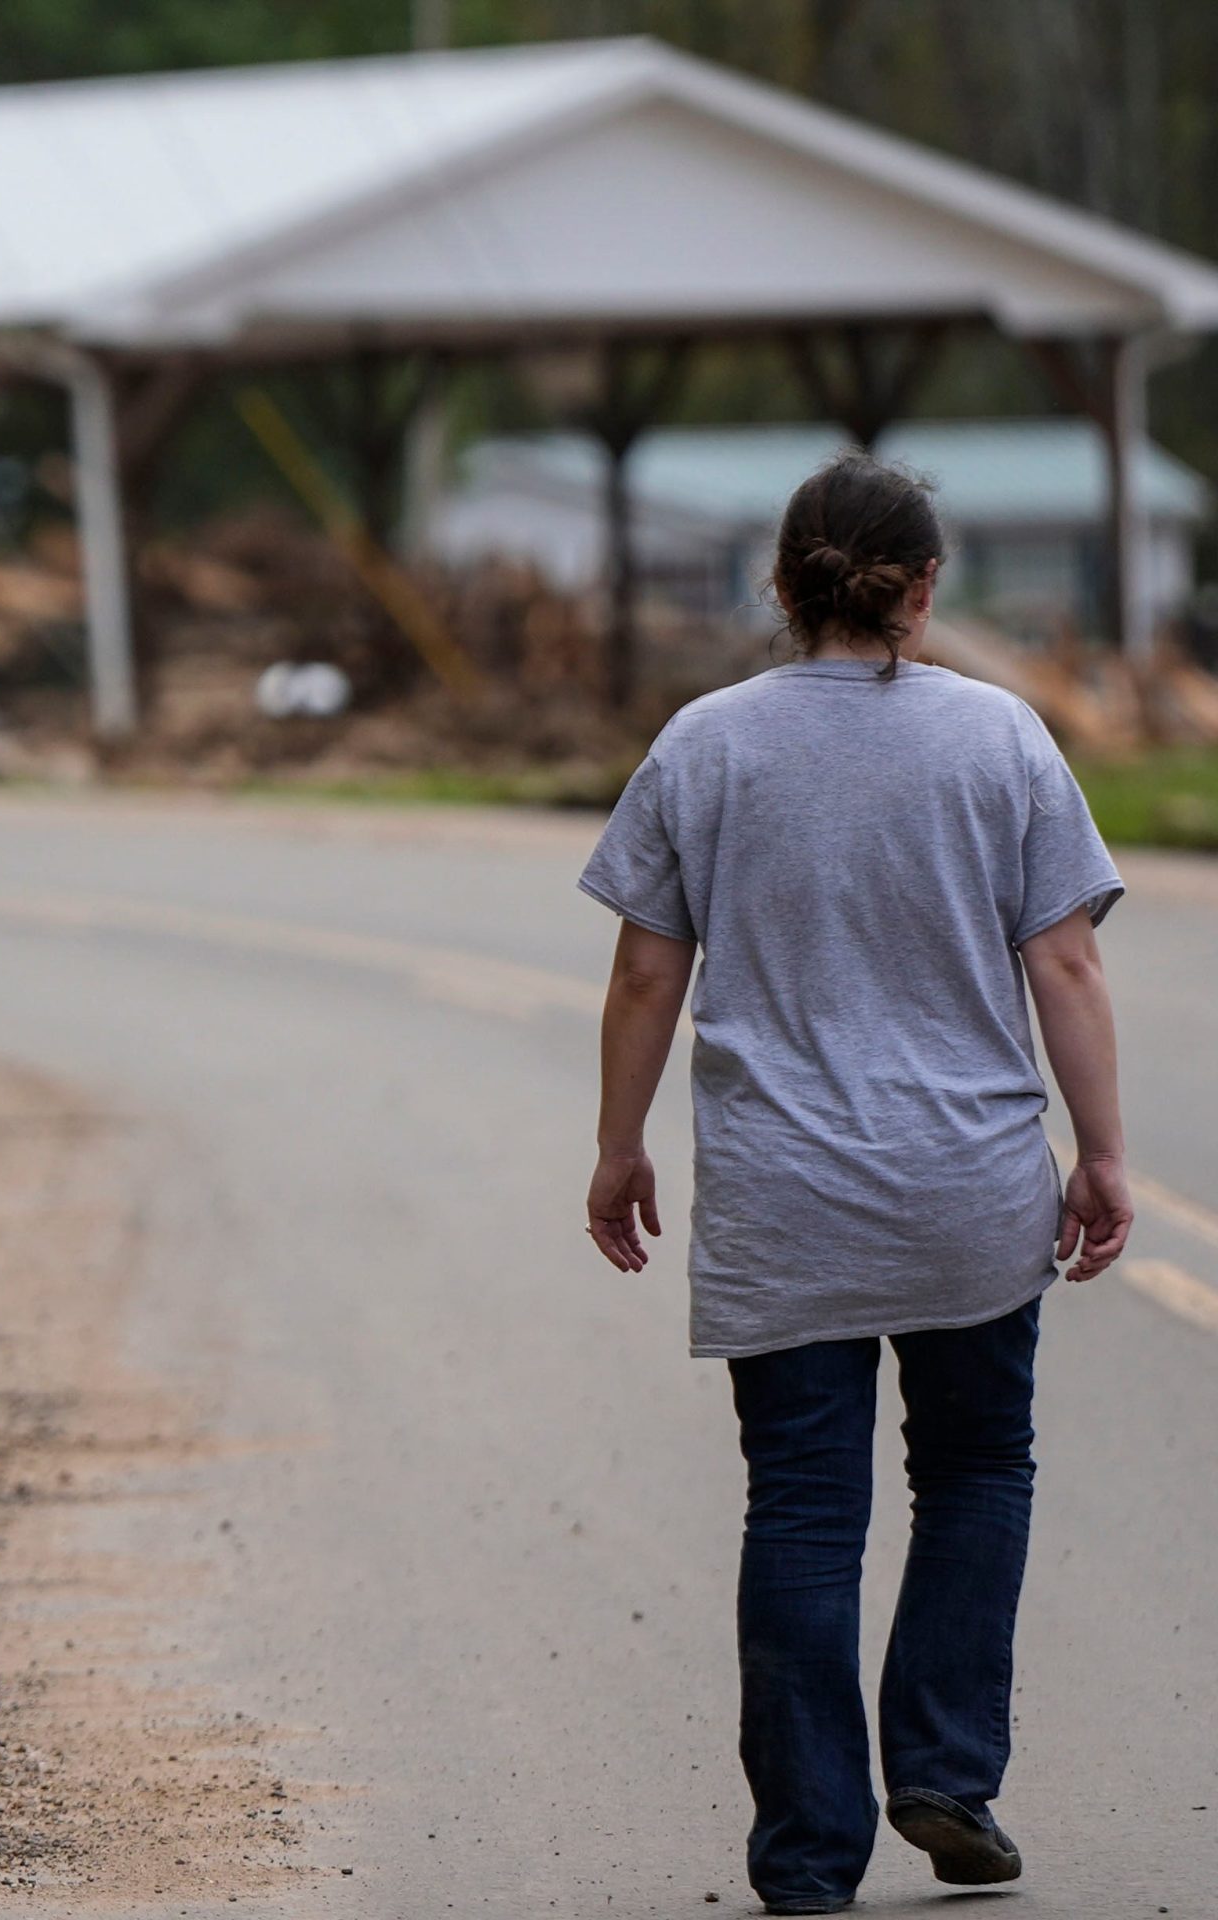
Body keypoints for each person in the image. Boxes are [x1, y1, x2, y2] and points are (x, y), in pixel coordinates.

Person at [576, 453, 1131, 1917]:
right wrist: (1102, 1154)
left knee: (804, 1508)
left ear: (782, 581)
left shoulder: (705, 743)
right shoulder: (1002, 737)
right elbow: (1068, 964)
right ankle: (945, 1771)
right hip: (968, 1189)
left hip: (785, 1200)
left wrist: (620, 1143)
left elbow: (645, 972)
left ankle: (810, 1855)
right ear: (926, 585)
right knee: (976, 1471)